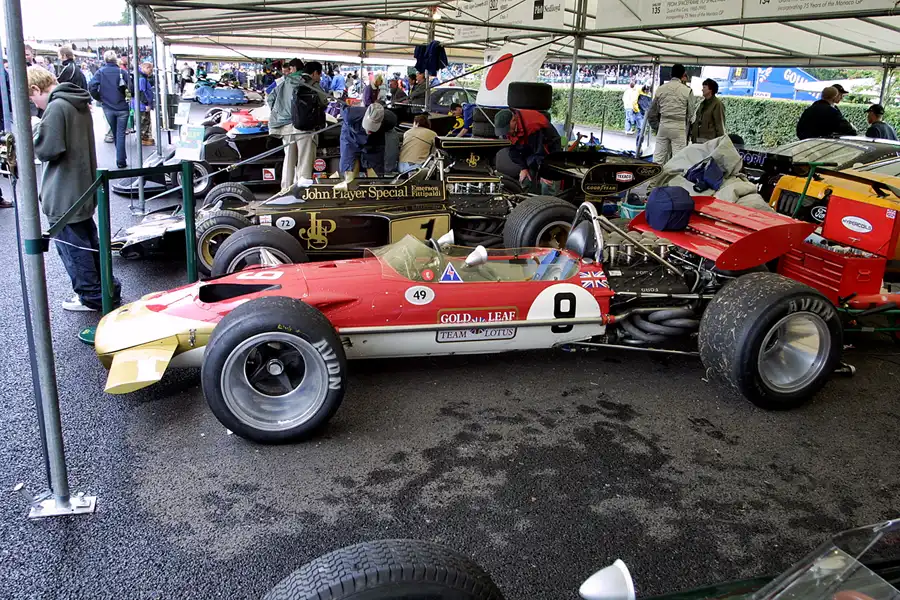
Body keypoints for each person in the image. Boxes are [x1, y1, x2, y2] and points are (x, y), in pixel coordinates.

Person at [28, 67, 121, 312]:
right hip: (80, 187)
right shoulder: (77, 102)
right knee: (89, 243)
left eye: (31, 97)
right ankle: (106, 289)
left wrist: (35, 127)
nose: (34, 103)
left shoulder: (57, 107)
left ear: (36, 89)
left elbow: (46, 149)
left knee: (74, 250)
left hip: (64, 192)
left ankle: (91, 297)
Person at [267, 60, 329, 192]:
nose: (319, 78)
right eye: (319, 75)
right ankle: (301, 192)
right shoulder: (311, 83)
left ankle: (286, 190)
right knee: (305, 161)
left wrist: (281, 112)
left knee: (289, 161)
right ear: (314, 73)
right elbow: (324, 101)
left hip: (286, 128)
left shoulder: (285, 81)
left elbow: (270, 98)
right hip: (305, 128)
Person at [493, 108, 561, 190]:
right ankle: (528, 200)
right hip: (530, 150)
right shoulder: (507, 131)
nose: (506, 133)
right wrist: (523, 167)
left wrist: (544, 171)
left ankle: (549, 201)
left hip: (548, 151)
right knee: (525, 179)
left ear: (514, 120)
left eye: (507, 129)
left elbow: (540, 152)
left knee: (547, 184)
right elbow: (512, 151)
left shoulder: (533, 126)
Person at [335, 103, 398, 190]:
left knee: (376, 177)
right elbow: (342, 106)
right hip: (350, 138)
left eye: (372, 128)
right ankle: (349, 192)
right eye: (368, 127)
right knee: (350, 174)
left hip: (374, 142)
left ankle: (376, 194)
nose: (368, 130)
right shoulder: (350, 114)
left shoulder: (390, 120)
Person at [89, 50, 132, 169]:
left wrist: (99, 98)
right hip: (122, 107)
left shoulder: (100, 72)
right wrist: (127, 98)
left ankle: (120, 158)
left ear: (105, 59)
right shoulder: (122, 72)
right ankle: (121, 160)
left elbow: (92, 87)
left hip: (108, 107)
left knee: (115, 132)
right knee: (121, 134)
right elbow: (131, 89)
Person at [647, 64, 694, 165]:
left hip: (663, 124)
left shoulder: (661, 89)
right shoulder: (687, 91)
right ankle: (675, 180)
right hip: (679, 126)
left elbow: (653, 111)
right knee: (679, 159)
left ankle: (654, 179)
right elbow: (691, 112)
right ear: (683, 75)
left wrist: (656, 126)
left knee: (658, 157)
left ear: (670, 74)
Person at [690, 78, 726, 143]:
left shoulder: (717, 104)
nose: (702, 89)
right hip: (698, 139)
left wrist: (720, 141)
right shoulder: (702, 103)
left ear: (710, 89)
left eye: (704, 87)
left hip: (709, 140)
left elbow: (719, 124)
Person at [138, 61, 155, 146]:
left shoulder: (142, 77)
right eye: (150, 70)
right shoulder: (142, 79)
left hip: (142, 105)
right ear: (145, 68)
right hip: (142, 105)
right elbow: (142, 92)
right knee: (144, 122)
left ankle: (144, 137)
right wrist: (146, 104)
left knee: (145, 121)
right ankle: (143, 138)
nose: (150, 72)